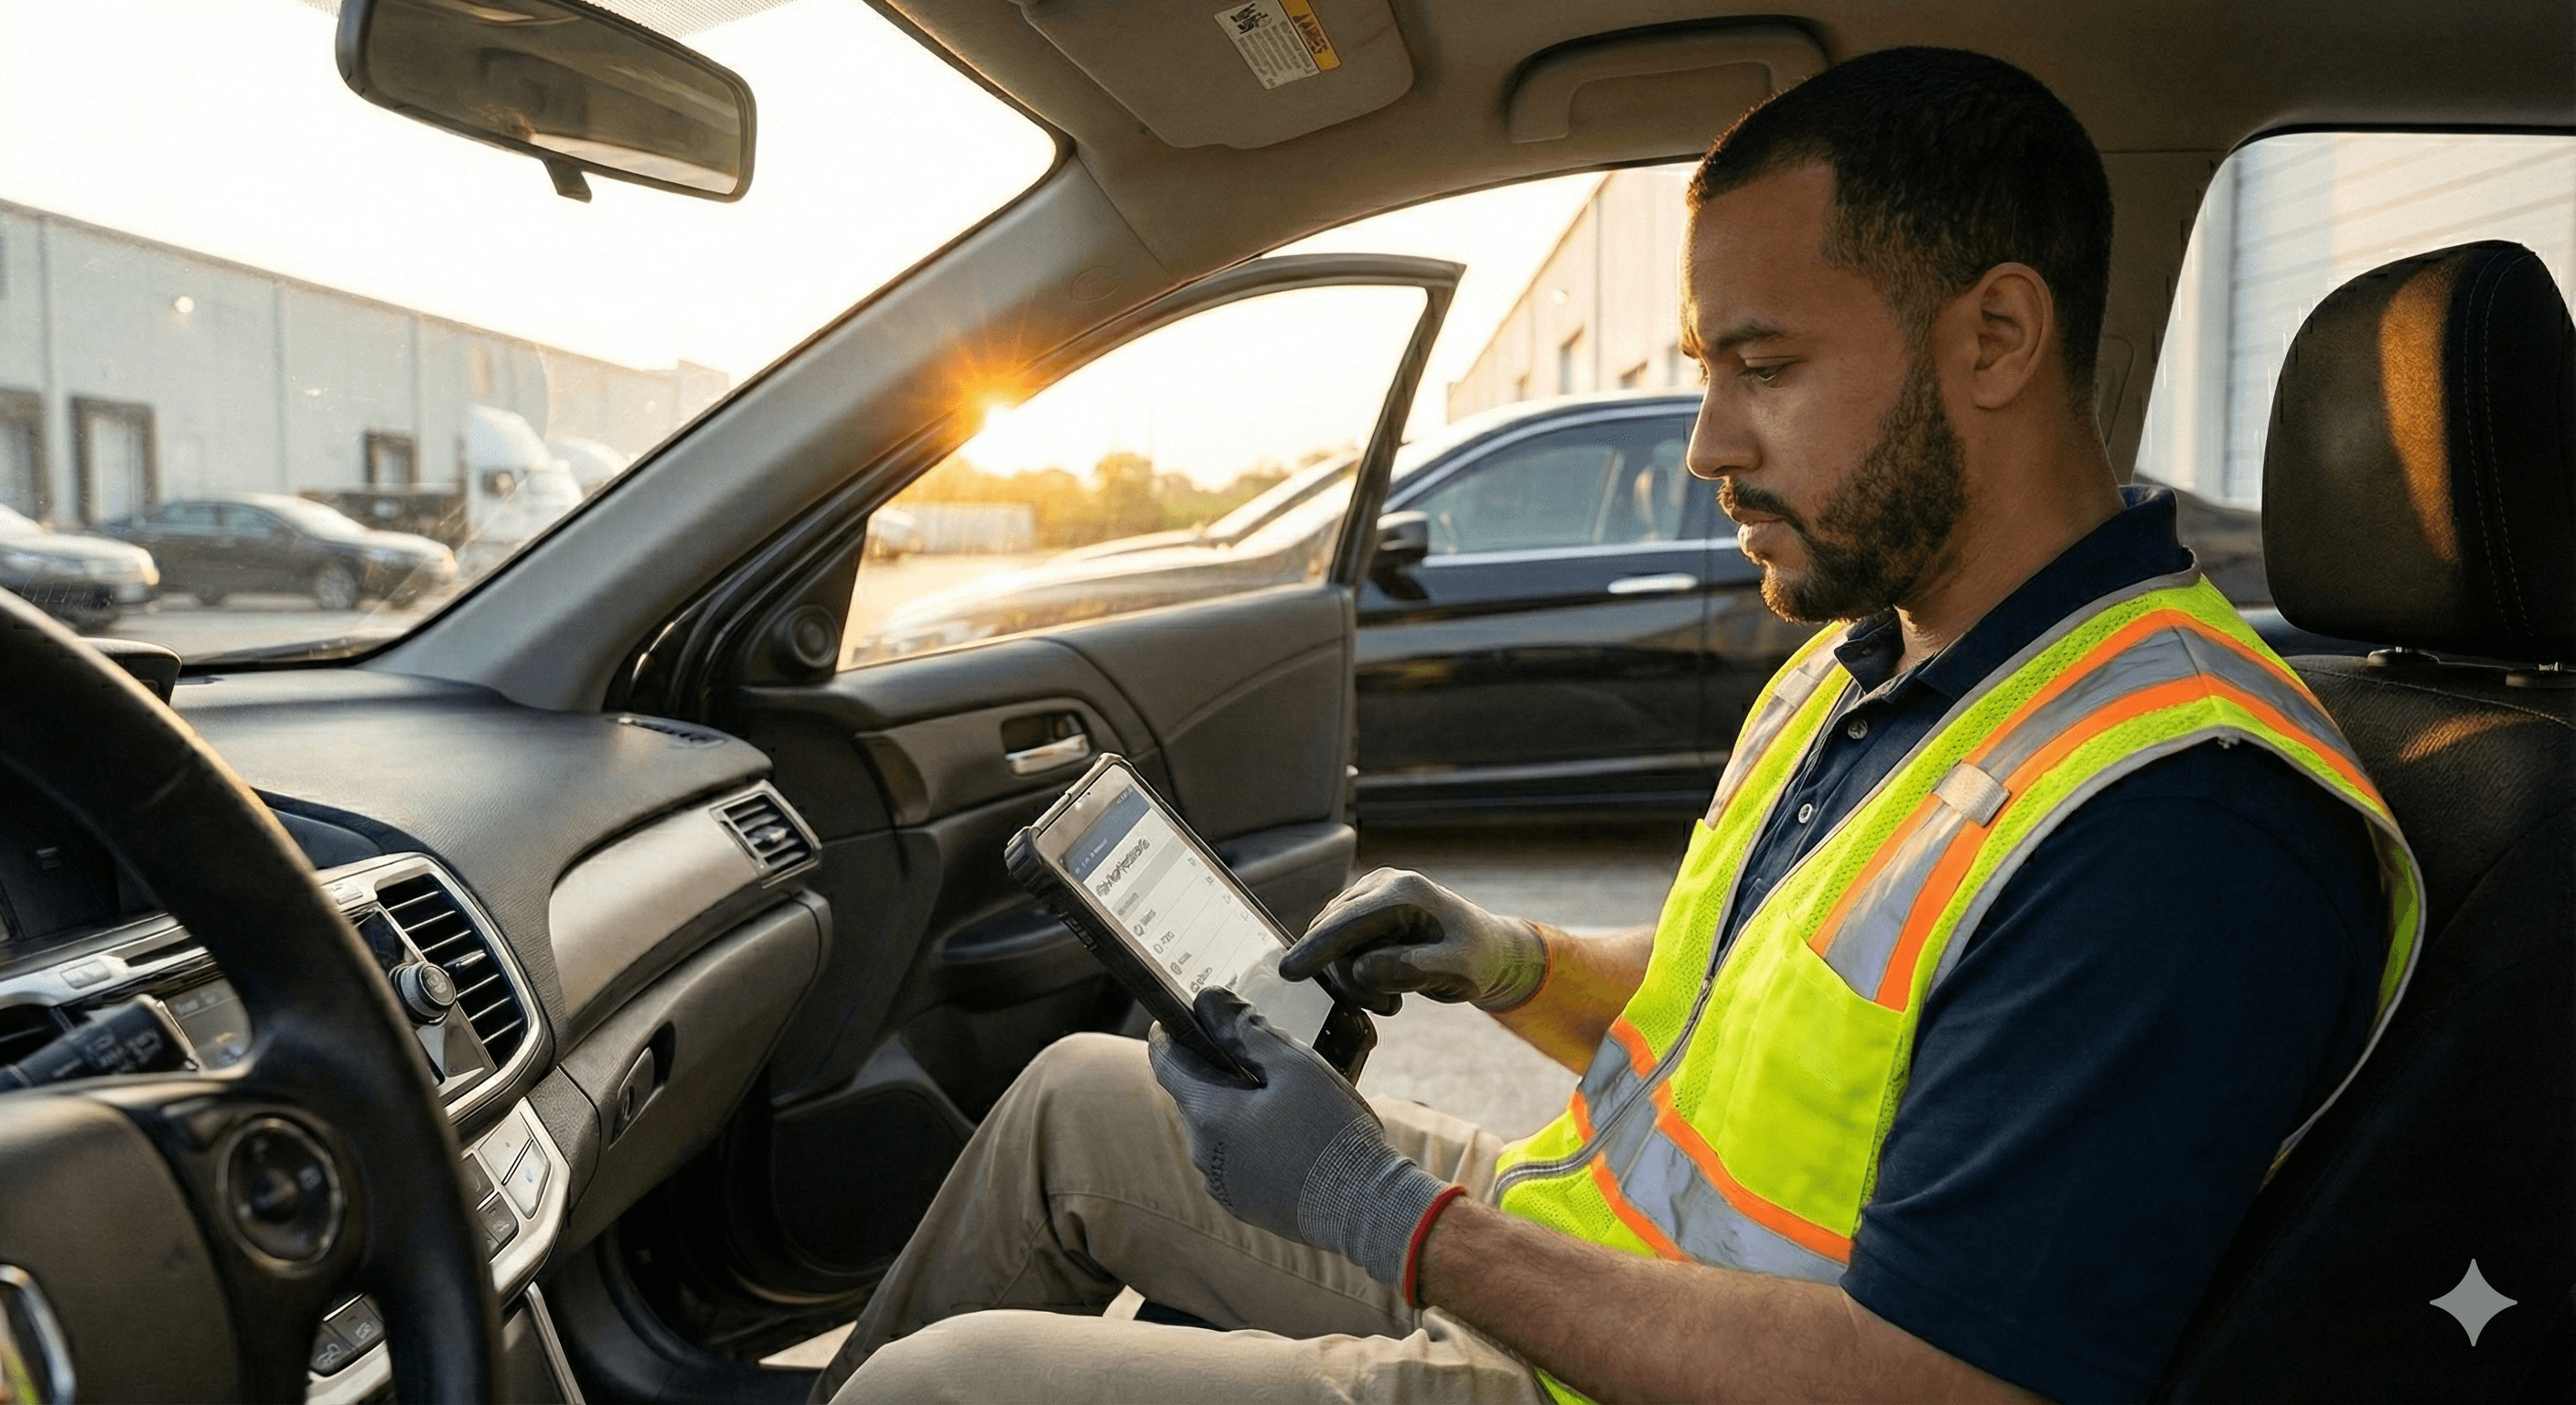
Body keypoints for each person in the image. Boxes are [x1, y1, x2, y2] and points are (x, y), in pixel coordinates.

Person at [812, 46, 2420, 1405]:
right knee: (1079, 1104)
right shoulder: (1890, 658)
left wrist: (1383, 1217)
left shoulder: (2177, 821)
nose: (1709, 440)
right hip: (1596, 1259)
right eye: (1704, 366)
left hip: (1634, 1369)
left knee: (936, 1391)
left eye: (1764, 364)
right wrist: (1503, 960)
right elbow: (1751, 1019)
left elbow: (1940, 1381)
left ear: (1995, 339)